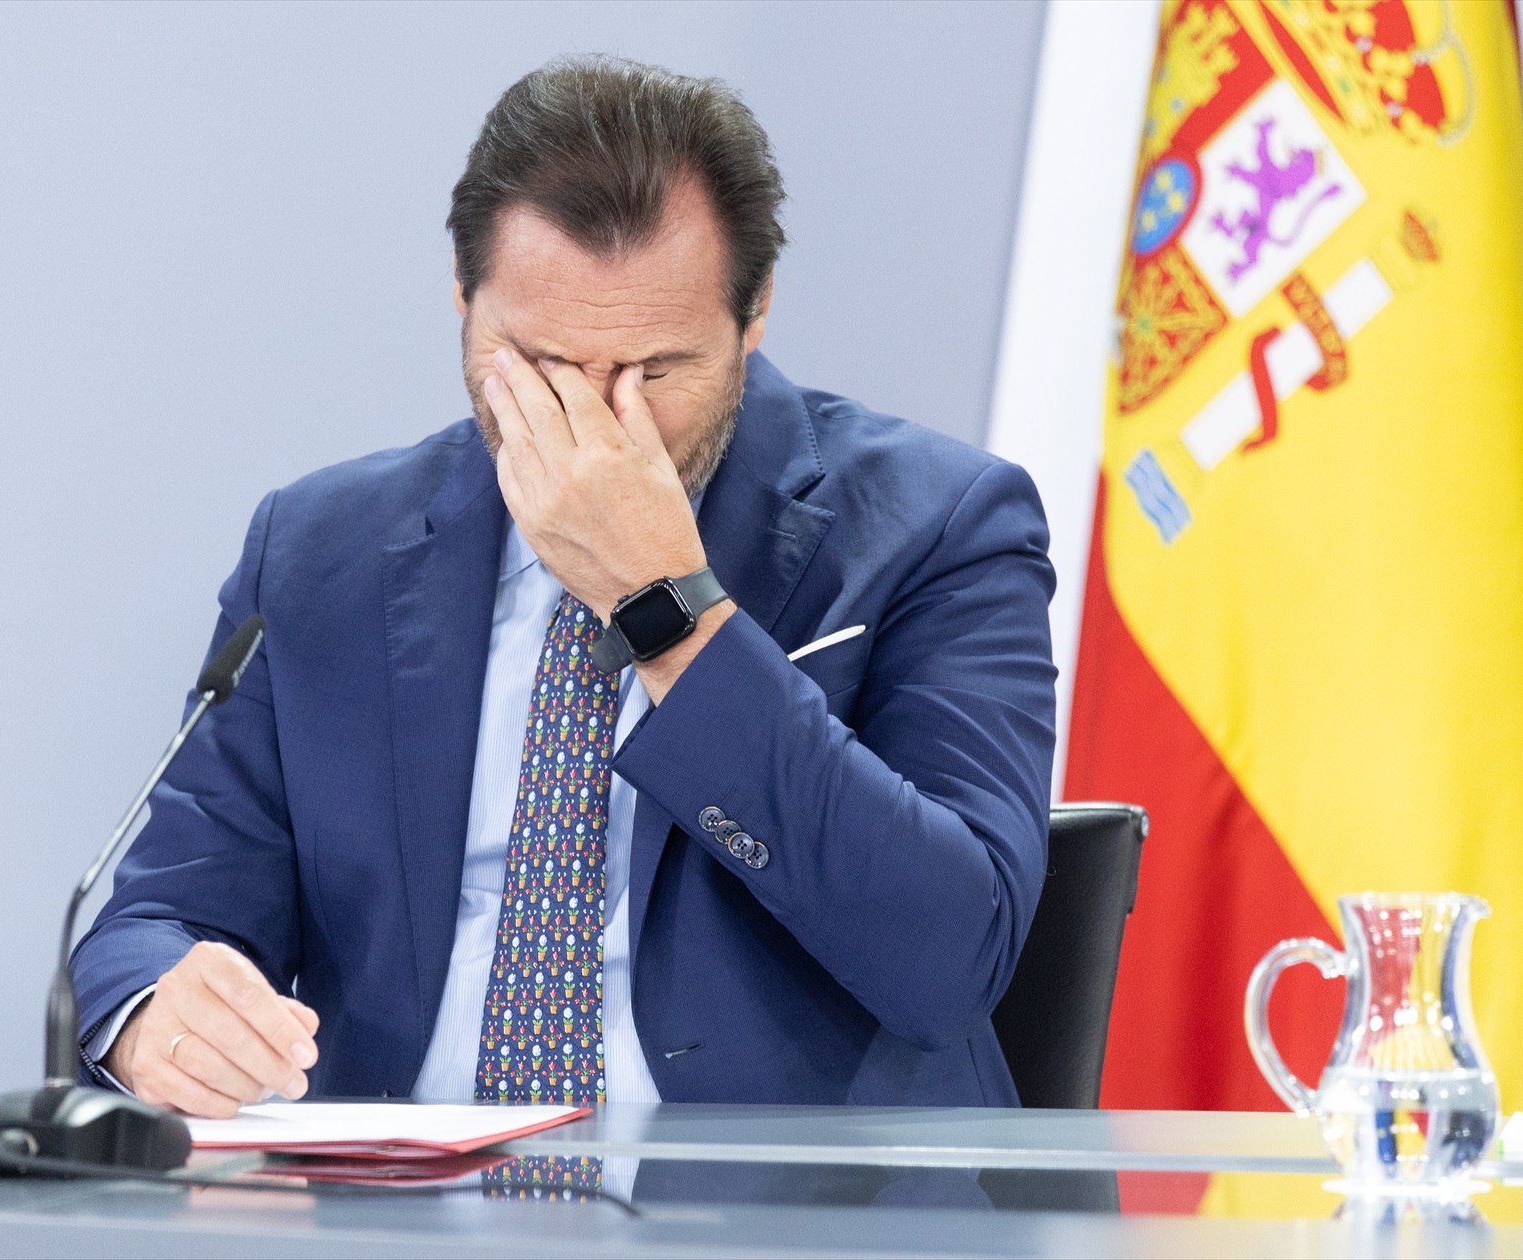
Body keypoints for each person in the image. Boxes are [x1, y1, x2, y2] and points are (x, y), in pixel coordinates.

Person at [72, 54, 1057, 1118]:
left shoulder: (939, 526)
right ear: (462, 299)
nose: (598, 424)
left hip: (778, 1217)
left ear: (756, 310)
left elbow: (950, 955)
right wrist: (151, 1016)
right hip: (397, 1210)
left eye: (658, 372)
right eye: (539, 365)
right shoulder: (320, 550)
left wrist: (666, 606)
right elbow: (156, 918)